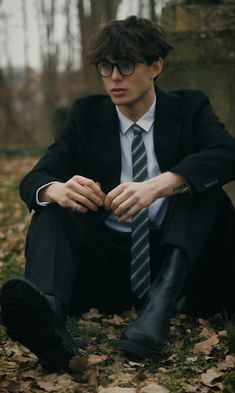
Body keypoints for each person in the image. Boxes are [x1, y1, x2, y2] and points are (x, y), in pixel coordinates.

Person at [1, 15, 235, 373]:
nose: (114, 77)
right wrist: (56, 189)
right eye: (106, 67)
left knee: (201, 190)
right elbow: (36, 178)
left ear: (156, 66)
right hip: (106, 265)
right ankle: (48, 317)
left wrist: (160, 185)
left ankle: (160, 305)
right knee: (51, 206)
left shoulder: (189, 108)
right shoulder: (86, 115)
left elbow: (226, 155)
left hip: (177, 264)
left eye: (125, 65)